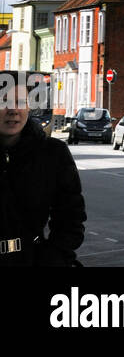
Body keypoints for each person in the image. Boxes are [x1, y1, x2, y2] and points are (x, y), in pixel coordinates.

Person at [0, 71, 86, 267]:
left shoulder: (53, 153)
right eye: (3, 101)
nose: (13, 110)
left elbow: (71, 218)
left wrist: (53, 257)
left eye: (21, 101)